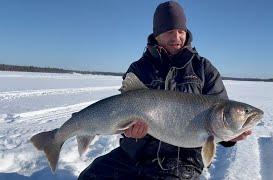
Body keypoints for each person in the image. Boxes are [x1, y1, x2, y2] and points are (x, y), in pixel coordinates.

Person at [78, 1, 252, 179]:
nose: (177, 37)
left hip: (182, 159)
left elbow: (220, 119)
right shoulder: (139, 68)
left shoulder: (203, 69)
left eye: (181, 31)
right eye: (169, 31)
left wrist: (230, 138)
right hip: (137, 153)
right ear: (157, 34)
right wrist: (129, 130)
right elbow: (123, 112)